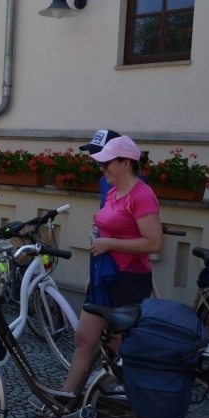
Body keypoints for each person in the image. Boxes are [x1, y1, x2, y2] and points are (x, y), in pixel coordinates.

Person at [60, 135, 162, 395]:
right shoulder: (114, 192)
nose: (102, 168)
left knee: (115, 344)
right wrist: (94, 274)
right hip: (105, 276)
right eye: (101, 163)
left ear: (126, 164)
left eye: (107, 163)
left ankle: (119, 395)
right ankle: (67, 397)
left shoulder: (142, 195)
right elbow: (103, 233)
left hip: (128, 279)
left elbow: (153, 243)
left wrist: (111, 244)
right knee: (84, 338)